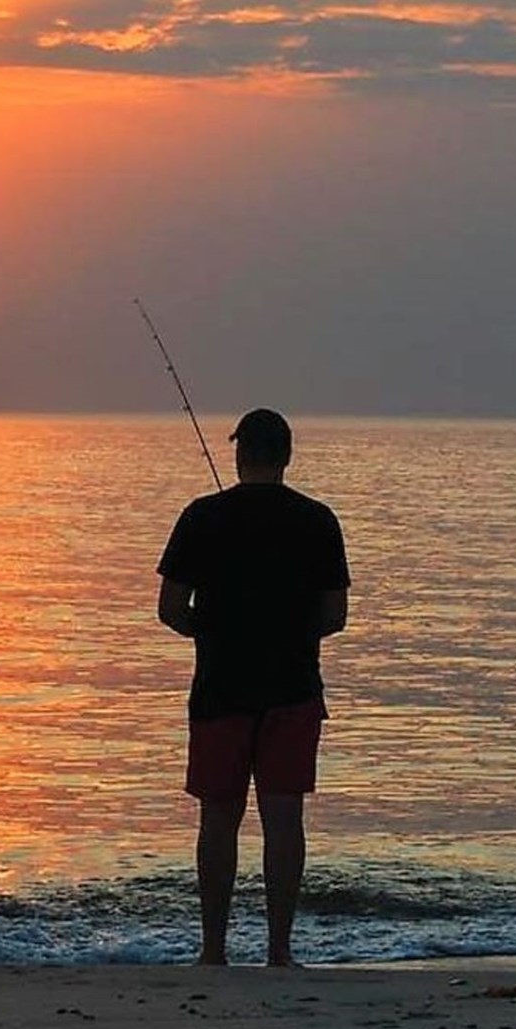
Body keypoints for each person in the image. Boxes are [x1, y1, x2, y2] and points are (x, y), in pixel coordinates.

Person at [155, 408, 350, 967]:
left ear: (240, 455)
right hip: (293, 688)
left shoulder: (201, 516)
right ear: (287, 456)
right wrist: (289, 632)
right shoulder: (318, 521)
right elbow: (335, 615)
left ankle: (213, 951)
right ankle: (279, 952)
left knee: (219, 818)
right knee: (284, 818)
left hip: (220, 687)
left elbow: (171, 608)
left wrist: (211, 630)